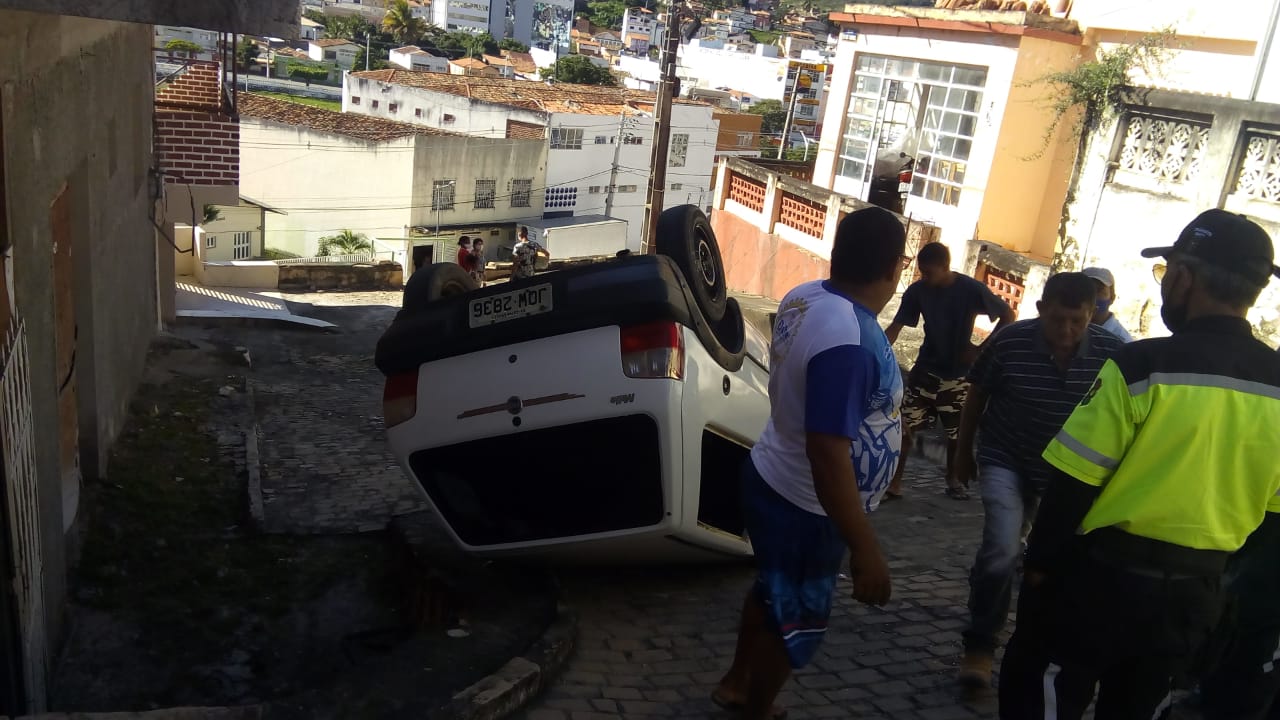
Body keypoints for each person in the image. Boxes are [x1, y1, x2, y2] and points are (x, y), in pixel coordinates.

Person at [998, 209, 1280, 719]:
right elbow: (1272, 523)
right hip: (1194, 597)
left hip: (1101, 583)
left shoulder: (1140, 366)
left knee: (1041, 691)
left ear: (1184, 278)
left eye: (1166, 272)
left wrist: (1039, 571)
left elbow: (1072, 484)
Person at [714, 207, 908, 720]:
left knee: (772, 589)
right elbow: (826, 452)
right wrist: (865, 546)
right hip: (806, 505)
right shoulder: (849, 342)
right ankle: (757, 708)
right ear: (896, 267)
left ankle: (737, 683)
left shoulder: (808, 295)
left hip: (775, 472)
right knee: (794, 616)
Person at [952, 272, 1125, 689]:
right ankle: (980, 643)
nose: (1066, 331)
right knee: (1003, 548)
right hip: (1006, 457)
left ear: (1092, 316)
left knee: (1056, 562)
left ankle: (1039, 641)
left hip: (1066, 476)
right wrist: (962, 451)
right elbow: (977, 394)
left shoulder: (1113, 354)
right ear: (1041, 309)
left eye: (1077, 322)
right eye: (1057, 320)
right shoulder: (1009, 342)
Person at [884, 243, 1015, 501]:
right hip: (925, 372)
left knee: (956, 434)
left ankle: (954, 480)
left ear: (945, 267)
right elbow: (896, 326)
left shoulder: (971, 289)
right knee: (904, 428)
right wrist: (876, 350)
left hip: (958, 376)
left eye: (929, 273)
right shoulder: (918, 291)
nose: (925, 277)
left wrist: (981, 350)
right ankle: (894, 483)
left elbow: (1008, 315)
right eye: (922, 272)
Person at [1082, 267, 1135, 342]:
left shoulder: (1121, 341)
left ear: (1112, 298)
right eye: (1087, 290)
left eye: (1099, 291)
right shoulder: (1070, 330)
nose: (1092, 297)